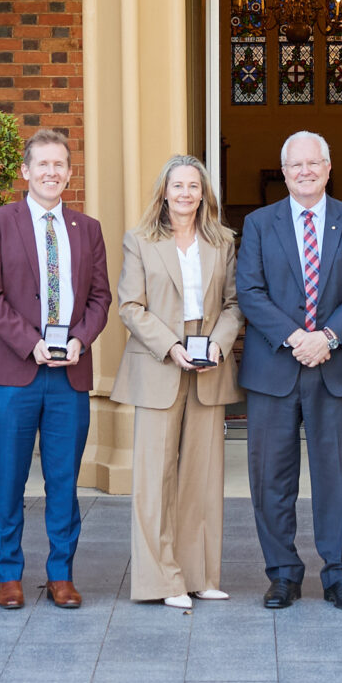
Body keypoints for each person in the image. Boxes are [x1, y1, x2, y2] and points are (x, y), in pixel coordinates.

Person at [233, 130, 342, 610]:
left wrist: (328, 338)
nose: (305, 171)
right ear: (285, 171)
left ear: (328, 167)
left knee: (338, 477)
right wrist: (298, 338)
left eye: (313, 163)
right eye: (295, 165)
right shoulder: (258, 223)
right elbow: (250, 291)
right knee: (271, 478)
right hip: (275, 367)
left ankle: (339, 575)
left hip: (336, 366)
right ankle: (282, 573)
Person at [0, 127, 110, 610]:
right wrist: (31, 344)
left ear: (69, 174)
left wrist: (81, 339)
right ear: (25, 171)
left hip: (70, 373)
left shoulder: (87, 228)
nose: (51, 173)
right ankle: (8, 574)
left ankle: (61, 573)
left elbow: (100, 297)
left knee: (63, 481)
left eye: (60, 165)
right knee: (8, 478)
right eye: (42, 165)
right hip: (16, 372)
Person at [113, 156, 244, 608]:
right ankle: (161, 581)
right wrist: (172, 346)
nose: (186, 193)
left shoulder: (223, 241)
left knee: (202, 478)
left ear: (204, 193)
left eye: (194, 186)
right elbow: (130, 306)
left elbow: (234, 303)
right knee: (155, 478)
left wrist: (218, 345)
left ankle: (199, 575)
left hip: (210, 364)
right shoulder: (140, 240)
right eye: (178, 186)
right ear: (164, 193)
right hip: (159, 361)